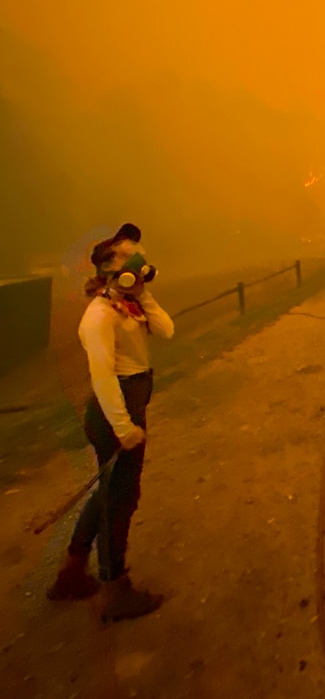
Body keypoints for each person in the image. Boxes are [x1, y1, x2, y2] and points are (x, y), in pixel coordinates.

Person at [47, 223, 175, 623]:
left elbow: (167, 330)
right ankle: (114, 590)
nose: (138, 258)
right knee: (121, 499)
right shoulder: (99, 316)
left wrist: (143, 293)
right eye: (128, 254)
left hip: (129, 403)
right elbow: (102, 378)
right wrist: (123, 427)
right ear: (108, 266)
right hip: (113, 412)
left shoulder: (128, 304)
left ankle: (70, 572)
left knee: (109, 493)